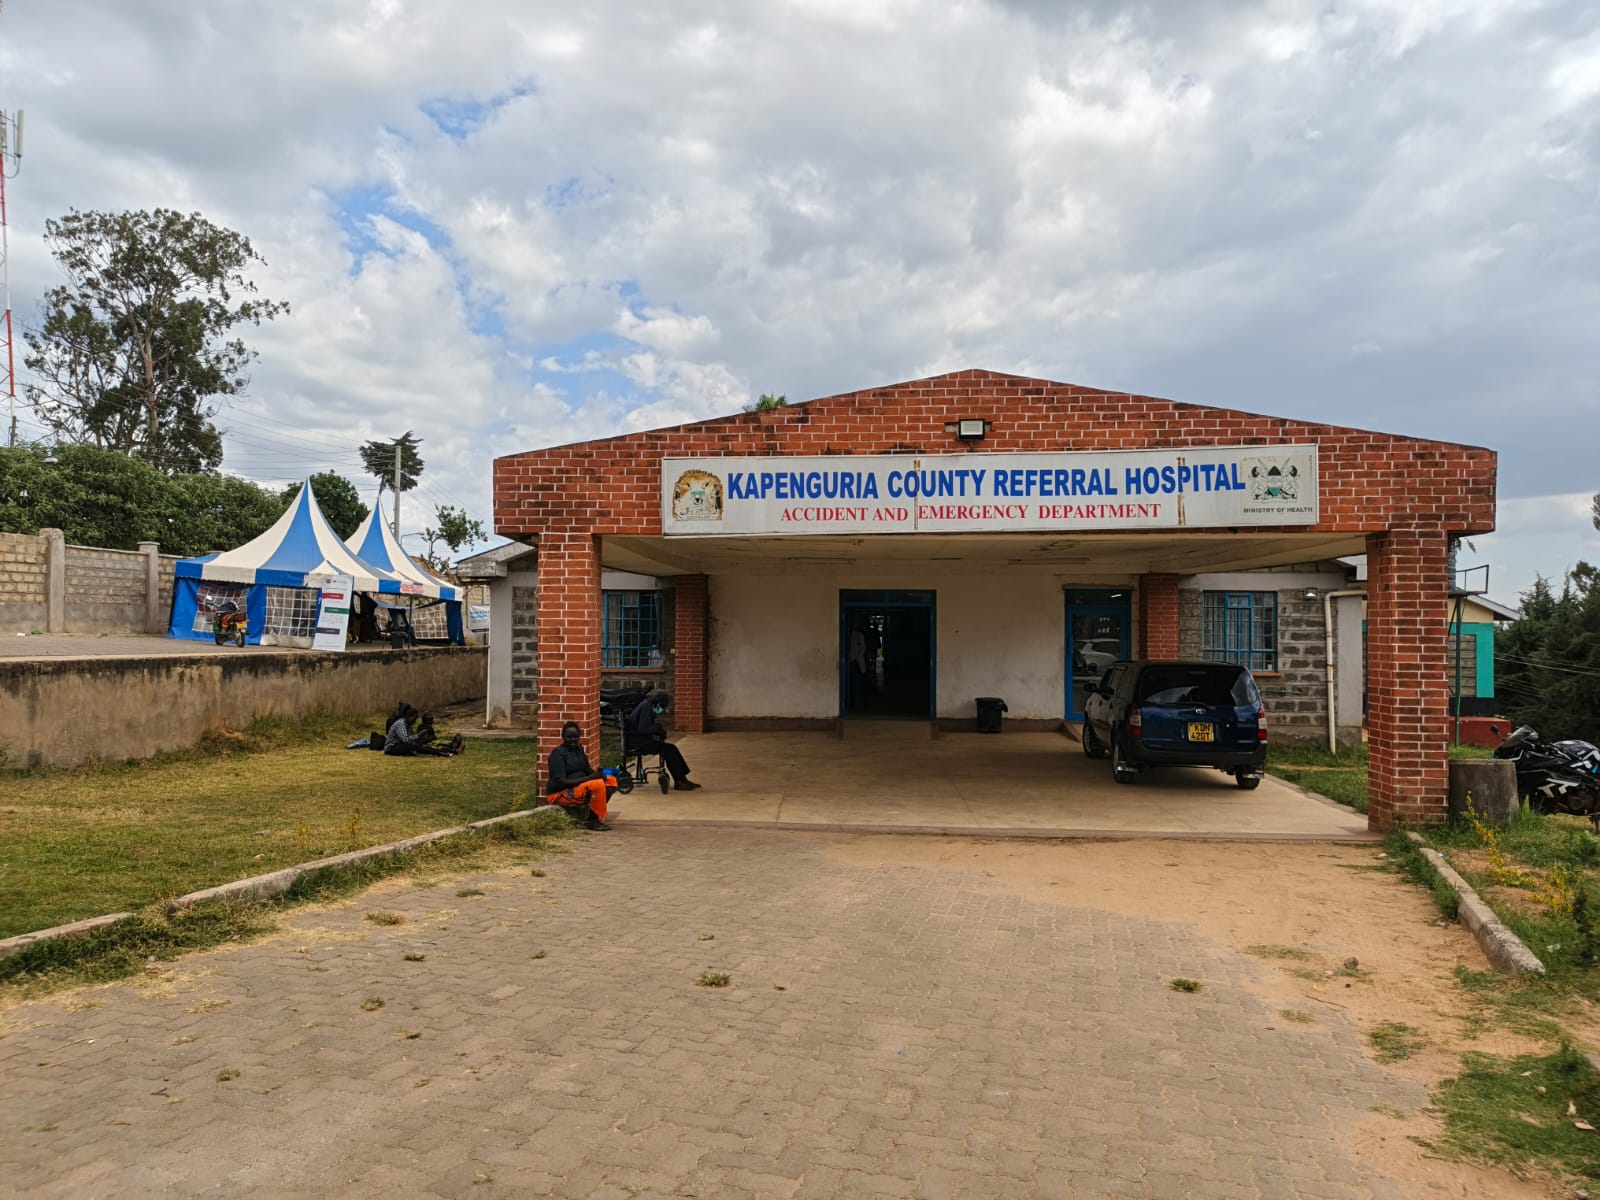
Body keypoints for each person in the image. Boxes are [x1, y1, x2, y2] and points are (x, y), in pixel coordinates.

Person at [546, 721, 614, 829]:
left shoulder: (579, 749)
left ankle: (592, 815)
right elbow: (562, 781)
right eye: (569, 737)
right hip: (561, 793)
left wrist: (599, 775)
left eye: (575, 737)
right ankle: (594, 821)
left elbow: (587, 769)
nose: (573, 740)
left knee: (611, 781)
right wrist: (590, 779)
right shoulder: (557, 754)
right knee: (597, 785)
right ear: (563, 737)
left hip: (578, 787)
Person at [625, 691, 699, 790]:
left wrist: (657, 729)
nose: (661, 710)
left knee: (671, 748)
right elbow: (643, 729)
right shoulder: (646, 708)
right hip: (639, 743)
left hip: (640, 740)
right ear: (659, 703)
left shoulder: (647, 705)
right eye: (662, 707)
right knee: (669, 750)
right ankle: (679, 781)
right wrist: (657, 729)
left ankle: (682, 779)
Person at [384, 703, 463, 756]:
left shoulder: (407, 724)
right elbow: (406, 740)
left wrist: (421, 739)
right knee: (415, 746)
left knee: (421, 745)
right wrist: (419, 735)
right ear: (409, 717)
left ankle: (450, 750)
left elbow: (412, 736)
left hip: (400, 745)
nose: (415, 721)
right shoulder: (400, 723)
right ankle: (440, 753)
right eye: (414, 718)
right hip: (392, 748)